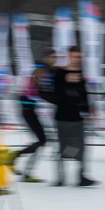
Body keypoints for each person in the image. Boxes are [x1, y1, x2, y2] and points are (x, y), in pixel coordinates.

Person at [43, 46, 97, 186]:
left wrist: (89, 111)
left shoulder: (80, 73)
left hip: (78, 117)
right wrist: (67, 83)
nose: (78, 60)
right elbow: (57, 97)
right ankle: (60, 177)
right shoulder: (60, 73)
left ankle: (81, 176)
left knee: (82, 147)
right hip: (62, 117)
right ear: (68, 57)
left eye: (80, 57)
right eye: (75, 57)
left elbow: (83, 95)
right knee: (63, 147)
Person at [15, 49, 55, 182]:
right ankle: (15, 158)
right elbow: (37, 90)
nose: (54, 60)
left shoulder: (42, 70)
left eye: (56, 57)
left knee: (41, 140)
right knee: (42, 140)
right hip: (28, 108)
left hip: (29, 108)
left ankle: (27, 170)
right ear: (46, 58)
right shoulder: (41, 71)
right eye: (52, 57)